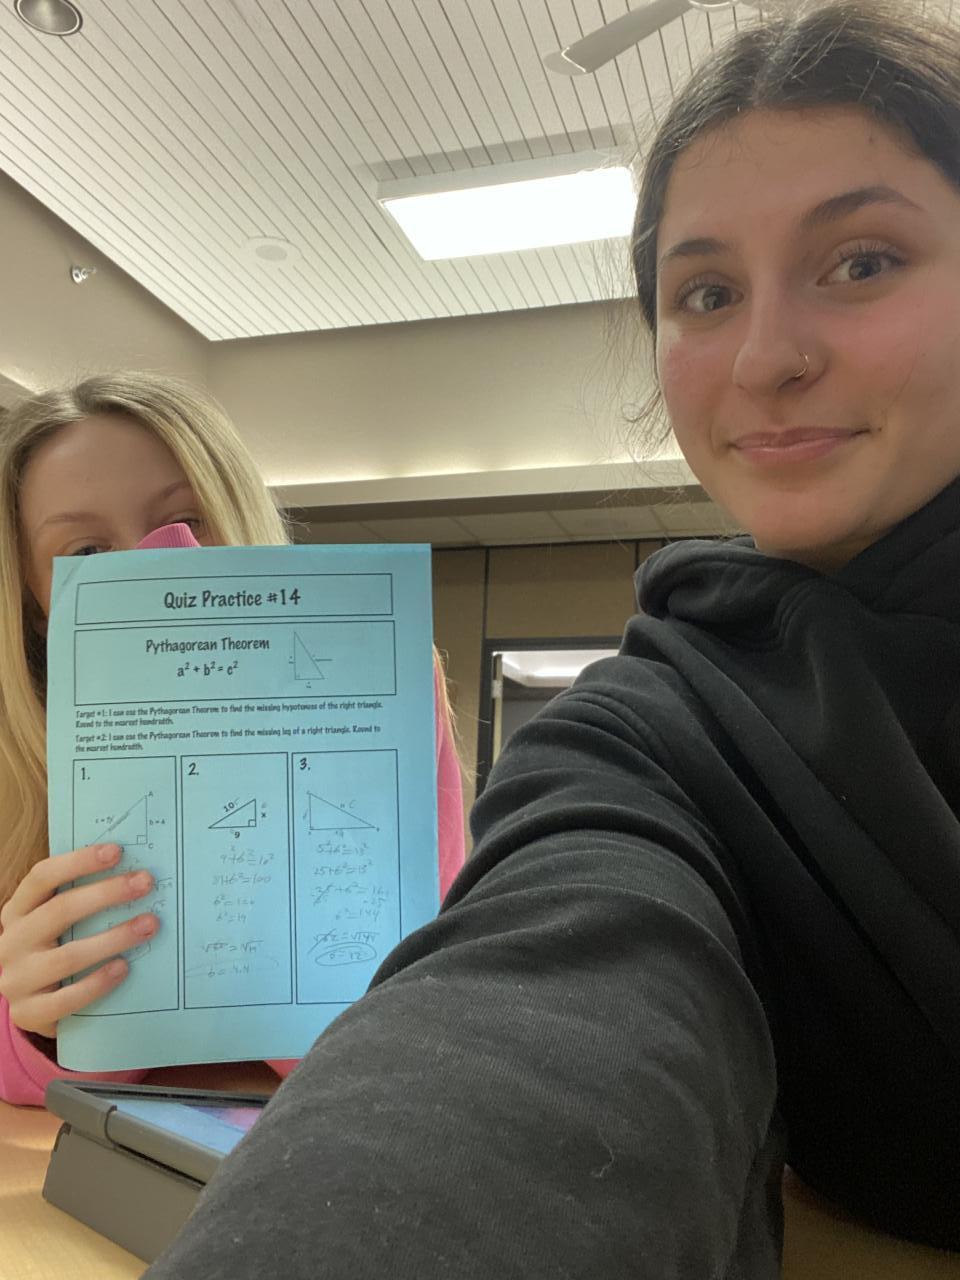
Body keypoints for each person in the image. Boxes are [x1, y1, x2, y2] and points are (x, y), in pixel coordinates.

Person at [135, 2, 960, 1276]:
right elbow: (538, 1003)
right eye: (706, 292)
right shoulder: (654, 732)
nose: (766, 355)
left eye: (861, 262)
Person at [0, 372, 465, 1106]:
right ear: (35, 603)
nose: (157, 567)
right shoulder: (14, 758)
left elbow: (414, 1021)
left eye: (187, 521)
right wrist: (40, 1024)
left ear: (237, 514)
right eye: (86, 553)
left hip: (322, 1137)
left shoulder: (386, 687)